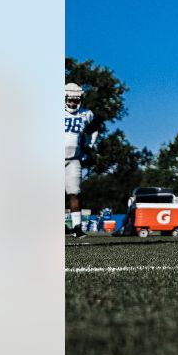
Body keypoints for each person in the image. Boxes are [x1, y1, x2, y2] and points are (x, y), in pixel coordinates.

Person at [64, 83, 97, 239]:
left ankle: (77, 228)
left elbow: (94, 129)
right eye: (70, 100)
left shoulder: (86, 114)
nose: (72, 104)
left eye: (75, 101)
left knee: (75, 193)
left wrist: (89, 146)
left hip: (73, 159)